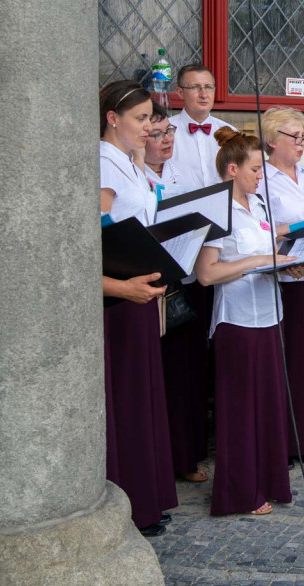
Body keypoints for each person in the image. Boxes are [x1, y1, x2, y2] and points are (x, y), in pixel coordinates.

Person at [195, 128, 304, 516]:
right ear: (233, 170)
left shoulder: (260, 206)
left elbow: (271, 251)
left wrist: (287, 266)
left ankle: (270, 480)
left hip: (270, 317)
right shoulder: (217, 212)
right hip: (237, 323)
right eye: (256, 169)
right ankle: (239, 492)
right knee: (240, 410)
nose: (262, 176)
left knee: (270, 405)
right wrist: (257, 262)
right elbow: (206, 274)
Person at [98, 80, 177, 536]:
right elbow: (94, 239)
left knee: (145, 395)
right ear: (113, 118)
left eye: (151, 118)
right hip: (120, 298)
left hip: (142, 291)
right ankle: (127, 501)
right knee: (126, 400)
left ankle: (147, 497)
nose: (149, 127)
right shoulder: (103, 162)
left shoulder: (130, 161)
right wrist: (122, 287)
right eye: (141, 118)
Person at [136, 102, 209, 485]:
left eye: (169, 132)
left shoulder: (184, 172)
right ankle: (160, 461)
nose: (166, 140)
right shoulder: (135, 176)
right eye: (157, 134)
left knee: (188, 374)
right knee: (160, 376)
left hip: (188, 282)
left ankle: (187, 453)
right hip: (150, 286)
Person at [260, 106, 304, 466]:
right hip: (280, 278)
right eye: (295, 136)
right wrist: (287, 257)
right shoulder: (262, 177)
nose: (301, 143)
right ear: (272, 140)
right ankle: (279, 443)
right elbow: (260, 228)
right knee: (280, 360)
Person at [169, 63, 235, 188]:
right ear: (180, 92)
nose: (204, 94)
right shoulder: (165, 131)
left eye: (208, 87)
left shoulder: (230, 133)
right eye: (195, 87)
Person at [137, 102, 190, 200]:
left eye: (169, 130)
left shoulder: (184, 170)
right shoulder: (130, 174)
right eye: (157, 134)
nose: (168, 139)